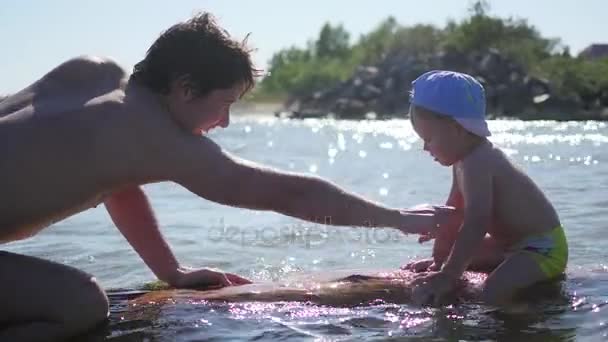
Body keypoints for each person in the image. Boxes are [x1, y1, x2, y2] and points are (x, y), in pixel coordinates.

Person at [0, 13, 450, 341]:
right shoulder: (151, 134)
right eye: (226, 103)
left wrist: (170, 272)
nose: (226, 122)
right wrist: (396, 218)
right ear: (185, 88)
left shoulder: (92, 74)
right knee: (81, 306)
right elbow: (288, 193)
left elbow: (119, 182)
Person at [403, 70, 568, 306]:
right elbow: (454, 212)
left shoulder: (479, 161)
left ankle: (516, 327)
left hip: (541, 249)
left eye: (428, 139)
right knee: (456, 248)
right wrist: (439, 261)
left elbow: (476, 222)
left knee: (492, 290)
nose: (425, 147)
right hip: (508, 245)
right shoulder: (462, 159)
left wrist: (450, 275)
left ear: (457, 129)